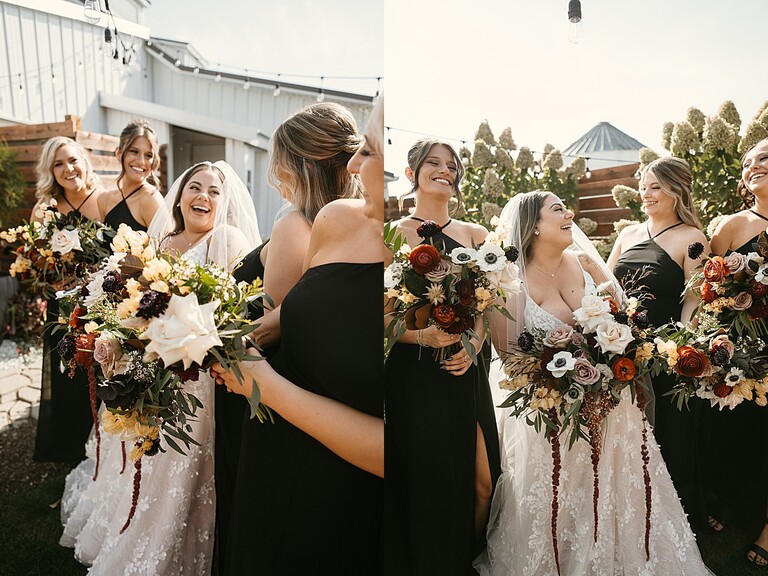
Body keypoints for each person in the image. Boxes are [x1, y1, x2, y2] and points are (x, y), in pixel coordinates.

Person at [475, 191, 713, 575]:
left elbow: (625, 321)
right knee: (562, 493)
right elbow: (510, 358)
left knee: (619, 488)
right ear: (533, 226)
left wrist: (612, 356)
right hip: (552, 413)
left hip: (613, 407)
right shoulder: (510, 279)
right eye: (557, 209)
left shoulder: (584, 264)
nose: (569, 214)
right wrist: (567, 373)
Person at [59, 160, 260, 576]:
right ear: (180, 196)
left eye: (214, 191)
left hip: (195, 378)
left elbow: (231, 312)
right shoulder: (162, 241)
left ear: (225, 203)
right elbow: (133, 306)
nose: (203, 197)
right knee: (141, 458)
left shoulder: (228, 239)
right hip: (149, 368)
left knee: (178, 463)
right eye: (195, 187)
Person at [212, 96, 385, 575]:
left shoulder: (296, 224)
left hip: (276, 404)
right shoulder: (333, 223)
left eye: (280, 162)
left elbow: (285, 332)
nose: (274, 175)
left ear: (305, 166)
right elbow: (290, 319)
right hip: (275, 401)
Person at [383, 138, 501, 575]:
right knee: (426, 482)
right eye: (434, 163)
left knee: (485, 482)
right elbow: (379, 319)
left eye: (452, 166)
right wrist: (422, 337)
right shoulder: (392, 233)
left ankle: (466, 560)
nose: (445, 171)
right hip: (415, 375)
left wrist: (475, 343)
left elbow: (487, 307)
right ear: (412, 172)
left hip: (465, 369)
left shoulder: (476, 236)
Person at [607, 156, 710, 534]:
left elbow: (693, 302)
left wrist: (679, 351)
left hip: (666, 353)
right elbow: (607, 287)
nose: (645, 194)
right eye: (643, 187)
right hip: (620, 348)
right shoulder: (627, 235)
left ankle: (676, 523)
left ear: (676, 190)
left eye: (655, 187)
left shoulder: (692, 238)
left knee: (671, 435)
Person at [708, 137, 768, 566]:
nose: (752, 166)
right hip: (745, 347)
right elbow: (708, 289)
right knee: (741, 433)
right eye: (747, 162)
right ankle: (734, 500)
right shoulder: (731, 226)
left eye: (763, 158)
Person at [31, 136, 103, 465]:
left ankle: (101, 444)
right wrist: (52, 277)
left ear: (84, 161)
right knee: (67, 375)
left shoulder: (103, 200)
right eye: (58, 164)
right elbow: (34, 263)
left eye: (72, 159)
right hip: (62, 307)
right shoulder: (45, 210)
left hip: (101, 306)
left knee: (99, 373)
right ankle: (70, 448)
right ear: (50, 171)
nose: (68, 168)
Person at [98, 119, 163, 232]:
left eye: (148, 155)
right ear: (118, 153)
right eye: (134, 151)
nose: (141, 161)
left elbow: (167, 243)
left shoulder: (151, 200)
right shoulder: (104, 200)